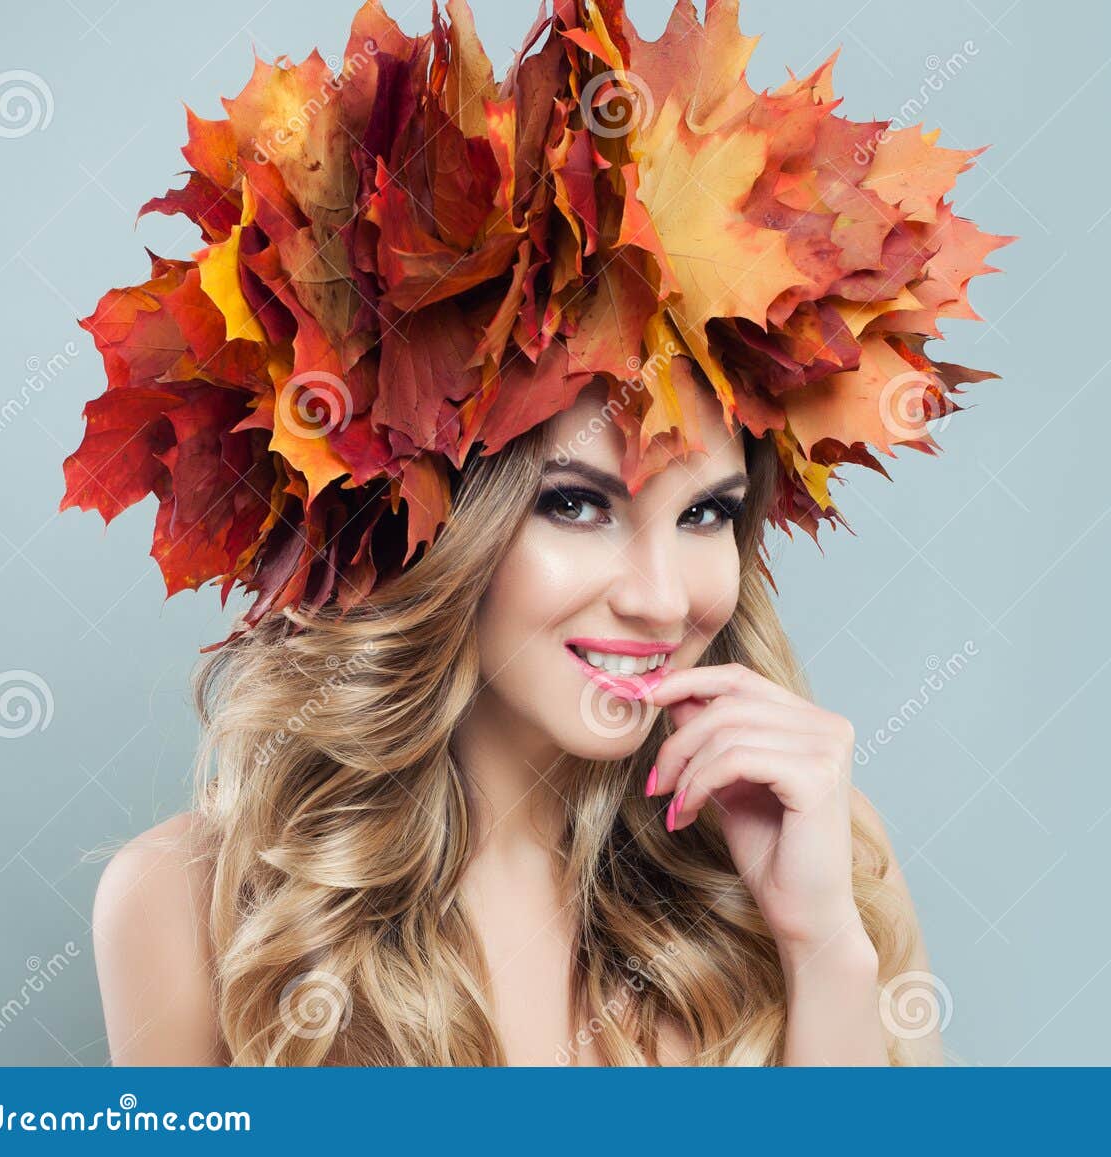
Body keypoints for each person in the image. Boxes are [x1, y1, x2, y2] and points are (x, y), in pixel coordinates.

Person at [64, 0, 1011, 1065]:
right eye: (577, 502)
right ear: (432, 522)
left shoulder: (820, 851)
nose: (662, 596)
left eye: (704, 511)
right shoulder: (187, 904)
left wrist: (823, 948)